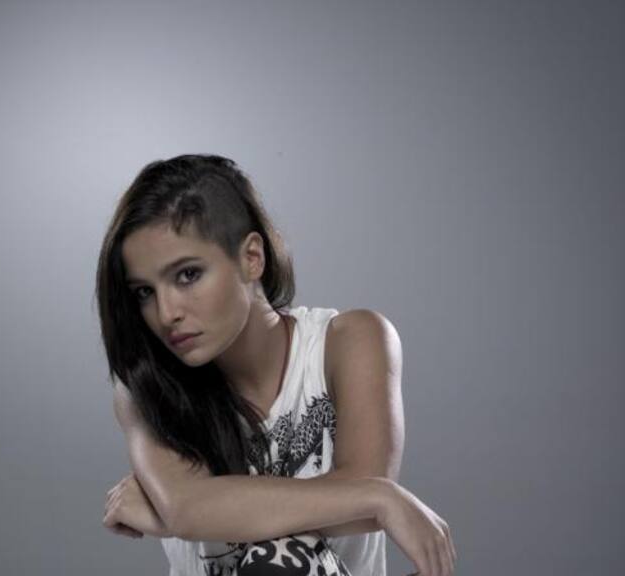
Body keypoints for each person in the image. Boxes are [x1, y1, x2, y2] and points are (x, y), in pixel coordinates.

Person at [96, 154, 456, 576]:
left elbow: (362, 500)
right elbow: (187, 508)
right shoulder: (146, 389)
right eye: (144, 292)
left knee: (283, 553)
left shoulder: (349, 342)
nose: (166, 312)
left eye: (188, 275)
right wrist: (378, 496)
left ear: (252, 257)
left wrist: (187, 515)